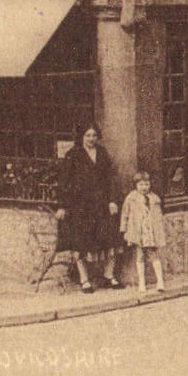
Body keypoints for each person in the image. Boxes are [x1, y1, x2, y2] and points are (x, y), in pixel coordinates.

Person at [55, 122, 120, 292]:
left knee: (110, 238)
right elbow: (64, 182)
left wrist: (112, 201)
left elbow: (110, 178)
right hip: (80, 206)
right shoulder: (73, 154)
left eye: (94, 136)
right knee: (81, 243)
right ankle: (84, 279)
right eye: (87, 135)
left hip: (101, 204)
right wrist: (62, 206)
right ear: (82, 137)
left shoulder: (102, 153)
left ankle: (109, 275)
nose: (91, 139)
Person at [120, 171, 167, 294]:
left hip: (150, 231)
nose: (144, 187)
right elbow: (125, 214)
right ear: (136, 185)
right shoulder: (131, 198)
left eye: (146, 184)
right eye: (141, 184)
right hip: (138, 231)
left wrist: (159, 229)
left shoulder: (154, 198)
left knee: (153, 255)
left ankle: (160, 281)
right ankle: (142, 282)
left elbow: (159, 216)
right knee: (139, 255)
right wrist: (124, 229)